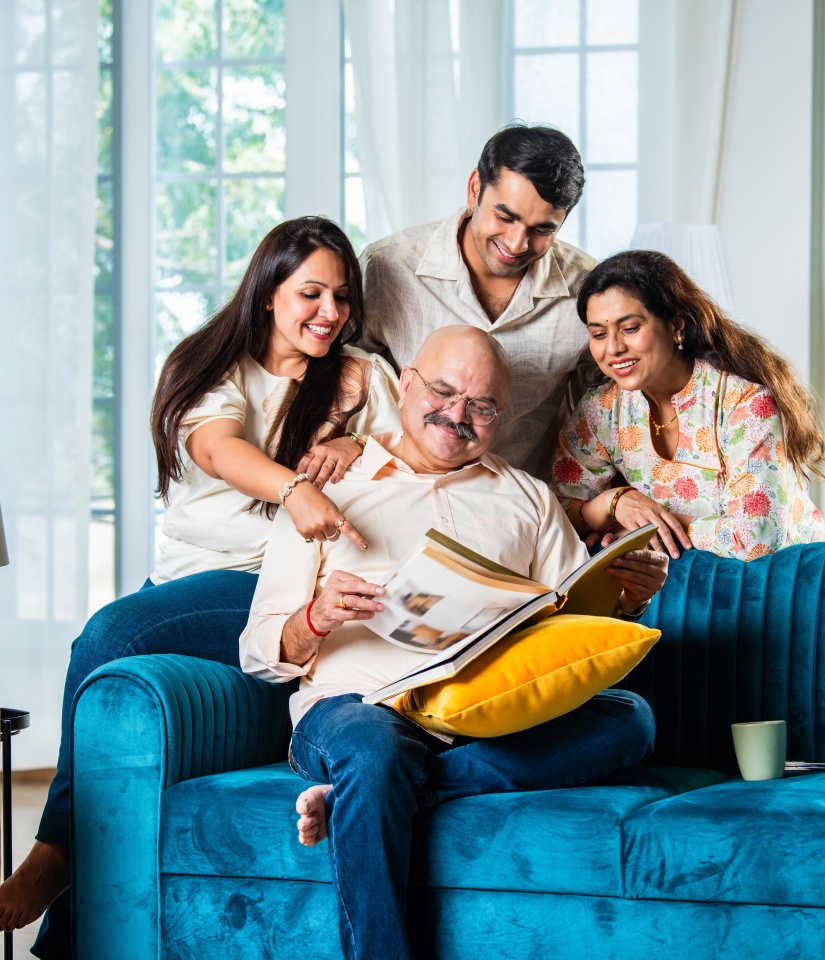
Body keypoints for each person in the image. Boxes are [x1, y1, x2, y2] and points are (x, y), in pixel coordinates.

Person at [0, 216, 401, 959]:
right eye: (311, 293)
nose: (330, 312)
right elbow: (218, 448)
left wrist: (357, 444)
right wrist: (294, 489)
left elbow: (411, 460)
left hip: (279, 587)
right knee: (112, 649)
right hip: (193, 581)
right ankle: (62, 906)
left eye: (343, 296)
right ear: (268, 292)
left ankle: (55, 856)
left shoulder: (363, 377)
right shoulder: (214, 365)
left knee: (109, 634)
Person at [240, 326, 668, 960]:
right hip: (357, 709)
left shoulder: (529, 499)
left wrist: (628, 599)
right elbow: (257, 652)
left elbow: (569, 621)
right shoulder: (325, 487)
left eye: (482, 405)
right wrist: (316, 617)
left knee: (629, 719)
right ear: (405, 385)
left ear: (503, 414)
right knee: (374, 747)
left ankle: (370, 794)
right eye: (442, 391)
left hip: (479, 714)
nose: (457, 414)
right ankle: (372, 790)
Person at [551, 250, 825, 562]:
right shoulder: (602, 410)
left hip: (790, 577)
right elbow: (554, 511)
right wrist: (614, 503)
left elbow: (757, 539)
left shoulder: (746, 403)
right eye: (599, 334)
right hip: (689, 582)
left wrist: (651, 527)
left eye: (630, 328)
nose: (613, 348)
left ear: (676, 327)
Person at [358, 123, 597, 481]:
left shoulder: (588, 291)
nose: (516, 243)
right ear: (475, 189)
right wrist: (349, 442)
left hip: (522, 500)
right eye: (505, 216)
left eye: (542, 229)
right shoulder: (386, 267)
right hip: (397, 488)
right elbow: (341, 376)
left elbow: (602, 417)